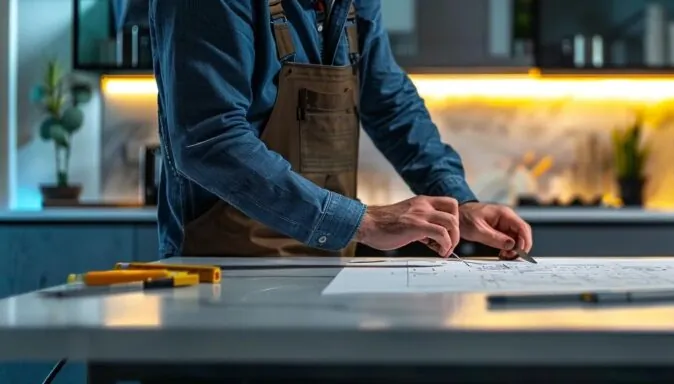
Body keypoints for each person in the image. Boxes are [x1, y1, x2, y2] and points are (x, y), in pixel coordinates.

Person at [149, 0, 532, 259]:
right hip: (221, 275)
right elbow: (211, 140)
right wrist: (363, 222)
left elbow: (389, 101)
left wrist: (459, 203)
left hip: (327, 265)